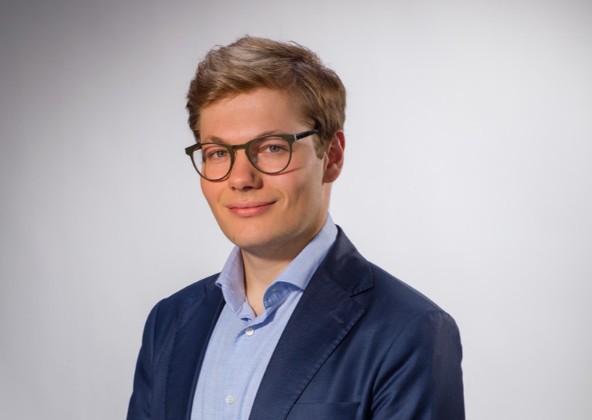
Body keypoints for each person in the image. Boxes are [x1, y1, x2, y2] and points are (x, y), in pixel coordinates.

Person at [127, 36, 464, 420]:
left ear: (332, 156)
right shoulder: (168, 322)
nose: (241, 179)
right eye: (218, 153)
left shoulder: (407, 330)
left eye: (272, 147)